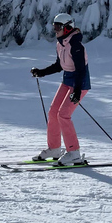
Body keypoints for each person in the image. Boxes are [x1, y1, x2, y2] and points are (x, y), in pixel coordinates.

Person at [30, 12, 91, 165]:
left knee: (63, 114)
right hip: (68, 81)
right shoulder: (61, 43)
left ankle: (74, 152)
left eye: (58, 27)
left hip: (80, 83)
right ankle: (55, 148)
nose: (55, 30)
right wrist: (41, 72)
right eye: (54, 26)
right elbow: (59, 65)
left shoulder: (76, 46)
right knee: (53, 112)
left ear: (67, 27)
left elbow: (80, 71)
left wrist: (76, 92)